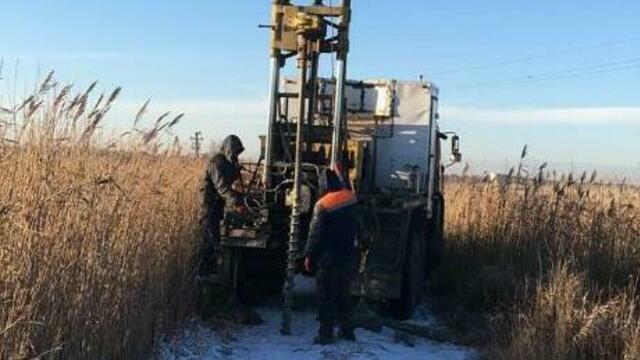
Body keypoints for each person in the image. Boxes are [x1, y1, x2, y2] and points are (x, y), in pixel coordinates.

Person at [304, 168, 358, 345]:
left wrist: (308, 256)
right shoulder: (351, 197)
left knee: (326, 296)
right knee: (344, 295)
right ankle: (347, 332)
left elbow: (315, 235)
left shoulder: (323, 204)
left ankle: (325, 334)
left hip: (328, 259)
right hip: (348, 256)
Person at [200, 135, 245, 276]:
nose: (236, 156)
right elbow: (222, 188)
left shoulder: (224, 163)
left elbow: (228, 182)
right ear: (229, 150)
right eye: (235, 152)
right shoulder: (216, 163)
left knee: (215, 240)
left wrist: (236, 171)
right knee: (210, 243)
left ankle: (211, 272)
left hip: (215, 208)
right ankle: (204, 275)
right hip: (208, 209)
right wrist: (237, 202)